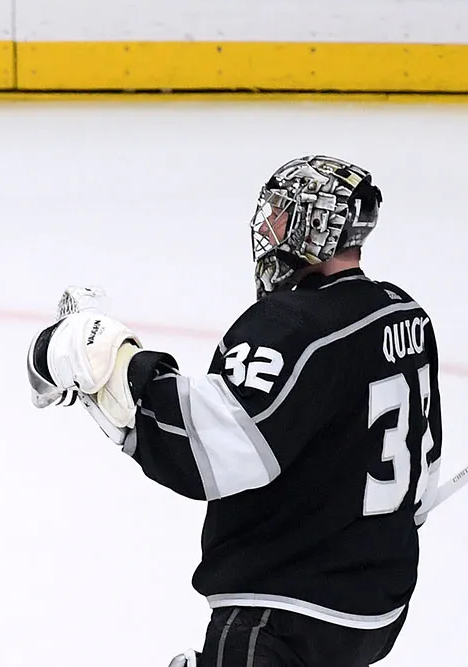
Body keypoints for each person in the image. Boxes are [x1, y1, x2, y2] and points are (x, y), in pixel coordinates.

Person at [26, 156, 442, 667]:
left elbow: (206, 447)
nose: (268, 227)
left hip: (283, 613)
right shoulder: (405, 314)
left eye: (282, 215)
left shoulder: (292, 326)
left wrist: (110, 359)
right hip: (374, 609)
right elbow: (414, 474)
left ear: (315, 228)